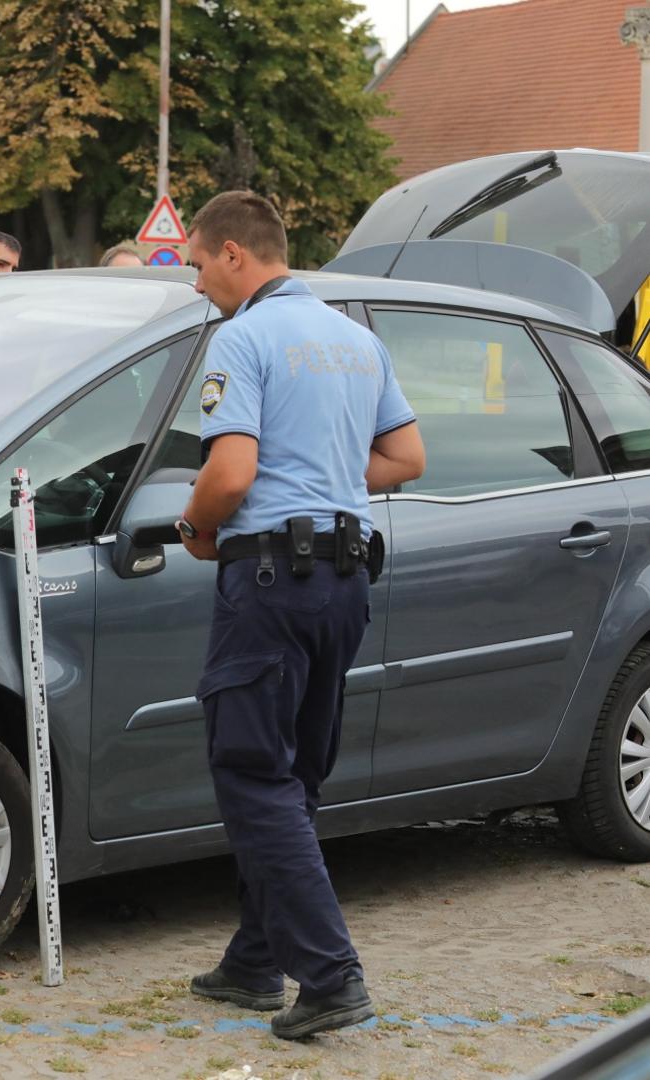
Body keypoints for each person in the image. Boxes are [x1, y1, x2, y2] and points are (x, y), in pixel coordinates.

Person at [174, 191, 425, 1040]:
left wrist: (195, 527)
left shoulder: (241, 337)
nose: (198, 281)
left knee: (250, 771)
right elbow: (407, 457)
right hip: (345, 579)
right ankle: (255, 962)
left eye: (200, 262)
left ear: (237, 254)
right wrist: (326, 480)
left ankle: (329, 976)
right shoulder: (357, 340)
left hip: (271, 578)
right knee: (292, 778)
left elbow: (231, 475)